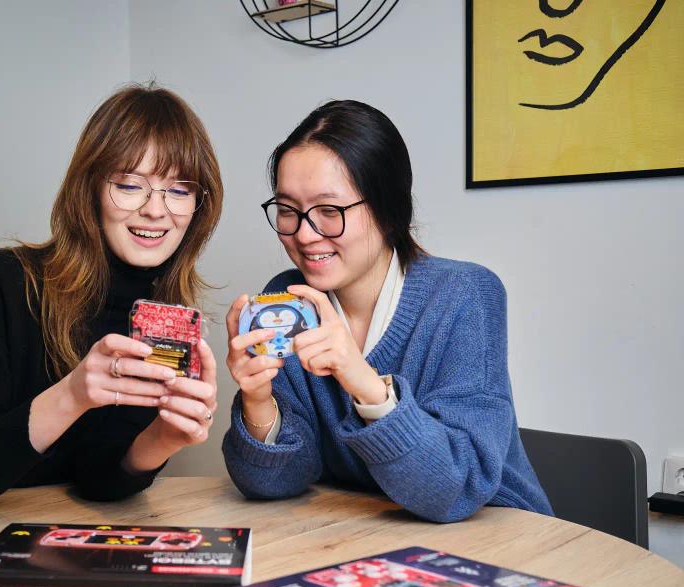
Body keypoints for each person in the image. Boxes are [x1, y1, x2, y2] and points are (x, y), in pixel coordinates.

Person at [0, 84, 222, 517]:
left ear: (199, 206)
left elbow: (96, 480)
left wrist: (166, 436)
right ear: (89, 188)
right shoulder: (2, 283)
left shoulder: (161, 316)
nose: (155, 210)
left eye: (179, 190)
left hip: (58, 545)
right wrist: (73, 394)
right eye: (130, 184)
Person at [222, 100, 552, 523]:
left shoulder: (465, 295)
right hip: (371, 533)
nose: (304, 234)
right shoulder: (287, 300)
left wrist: (361, 380)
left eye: (330, 211)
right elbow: (276, 484)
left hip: (500, 534)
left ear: (389, 208)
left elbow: (452, 490)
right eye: (288, 211)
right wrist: (258, 401)